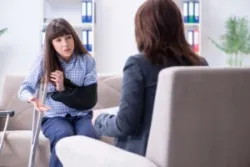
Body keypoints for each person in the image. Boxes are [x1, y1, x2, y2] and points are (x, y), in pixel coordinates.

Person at [92, 0, 208, 156]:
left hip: (144, 158)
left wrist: (98, 120)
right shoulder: (200, 64)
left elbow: (125, 125)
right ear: (178, 27)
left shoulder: (138, 64)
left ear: (143, 29)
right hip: (191, 155)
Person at [18, 18, 98, 167]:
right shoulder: (44, 60)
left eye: (68, 38)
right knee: (63, 134)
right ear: (51, 44)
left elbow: (89, 97)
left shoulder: (87, 61)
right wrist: (32, 98)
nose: (65, 44)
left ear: (74, 37)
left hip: (81, 114)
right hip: (54, 117)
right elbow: (24, 88)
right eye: (58, 40)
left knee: (87, 136)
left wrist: (62, 88)